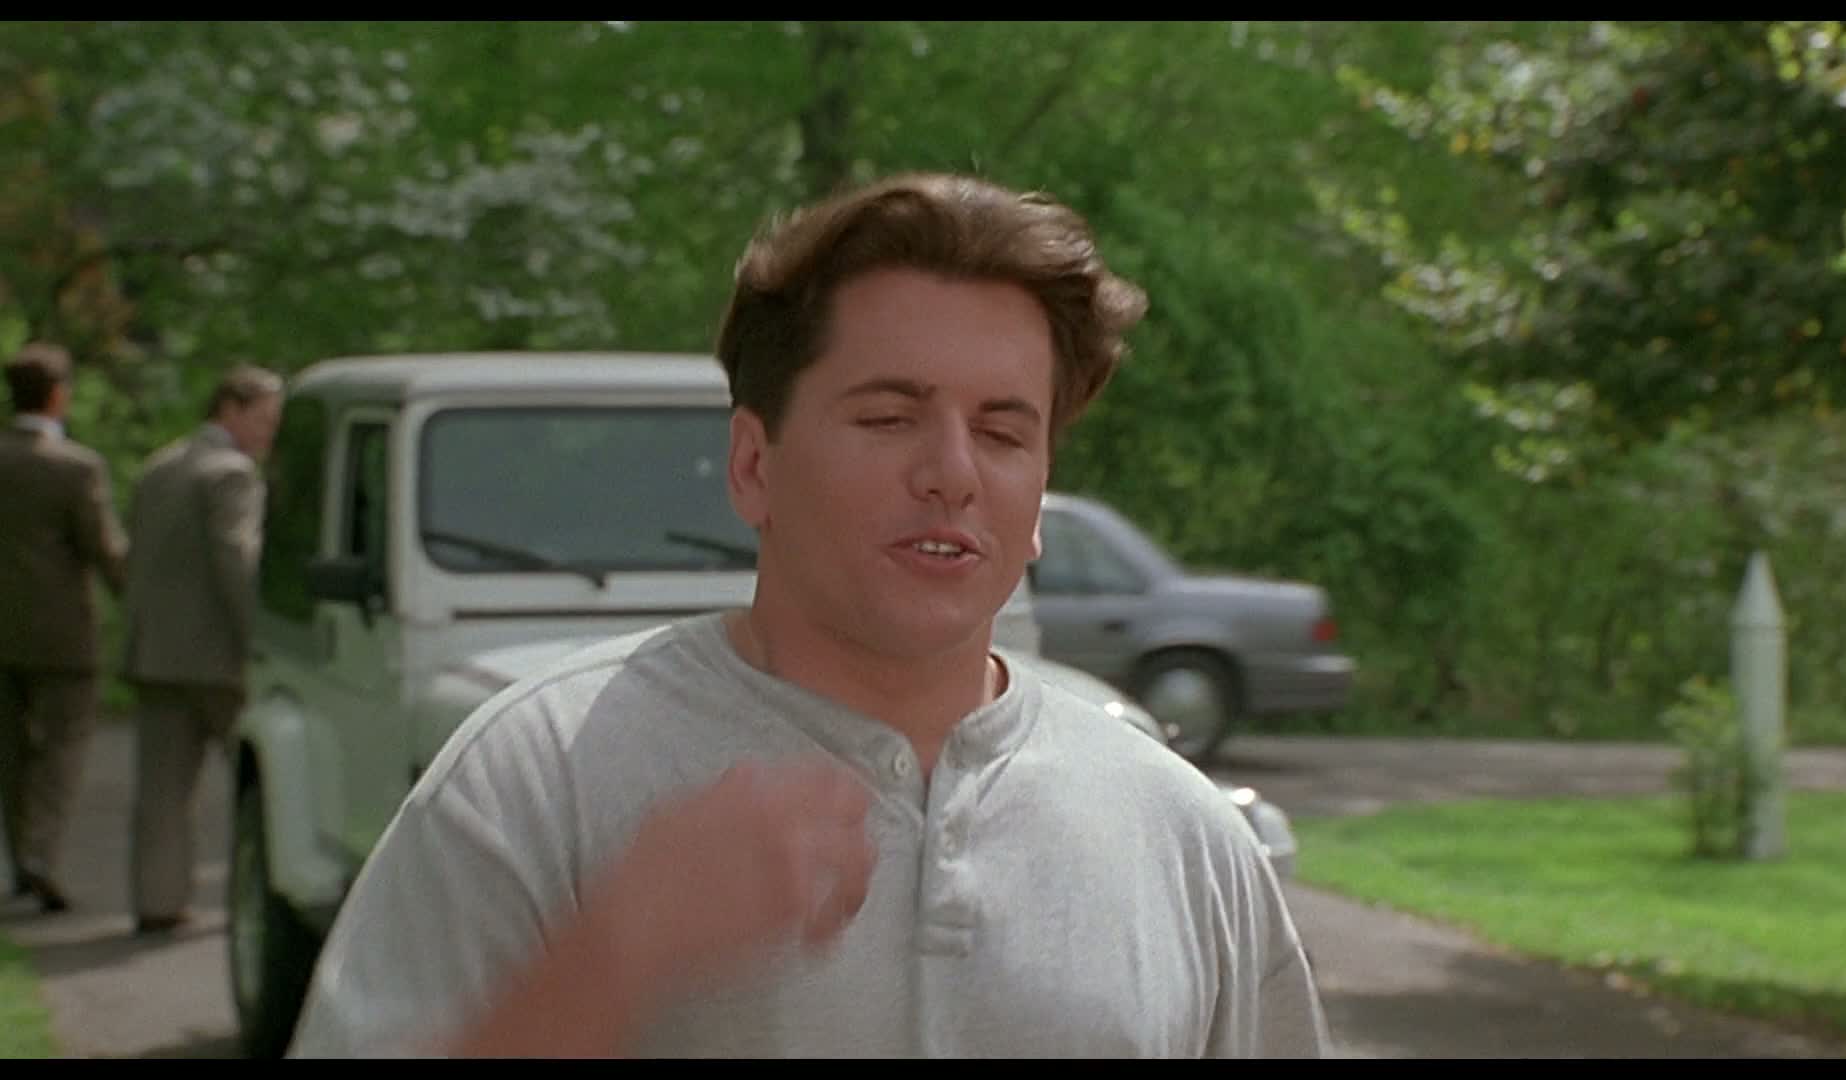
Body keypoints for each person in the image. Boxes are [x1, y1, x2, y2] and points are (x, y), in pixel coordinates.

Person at [288, 172, 1330, 1058]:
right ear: (753, 465)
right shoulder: (538, 779)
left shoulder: (1180, 835)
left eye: (1003, 433)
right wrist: (611, 959)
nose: (952, 472)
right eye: (889, 417)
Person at [121, 363, 283, 934]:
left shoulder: (159, 467)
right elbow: (238, 563)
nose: (270, 432)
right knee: (268, 786)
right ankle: (269, 899)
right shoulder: (231, 474)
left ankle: (158, 902)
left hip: (157, 653)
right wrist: (262, 641)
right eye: (264, 419)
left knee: (161, 791)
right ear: (230, 408)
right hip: (220, 659)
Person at [0, 342, 129, 912]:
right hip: (63, 636)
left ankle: (19, 855)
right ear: (57, 395)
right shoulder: (75, 467)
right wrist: (137, 599)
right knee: (63, 748)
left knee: (11, 752)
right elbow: (104, 549)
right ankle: (38, 853)